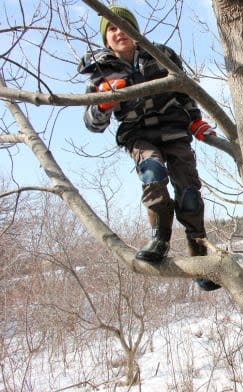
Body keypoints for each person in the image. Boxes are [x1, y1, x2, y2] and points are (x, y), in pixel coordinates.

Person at [78, 6, 220, 291]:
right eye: (113, 29)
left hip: (175, 131)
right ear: (106, 38)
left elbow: (186, 92)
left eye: (124, 26)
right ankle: (160, 239)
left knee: (189, 194)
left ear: (135, 31)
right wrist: (104, 103)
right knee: (152, 175)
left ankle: (201, 258)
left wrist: (196, 122)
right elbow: (92, 124)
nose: (120, 32)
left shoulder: (161, 54)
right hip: (139, 136)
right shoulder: (100, 73)